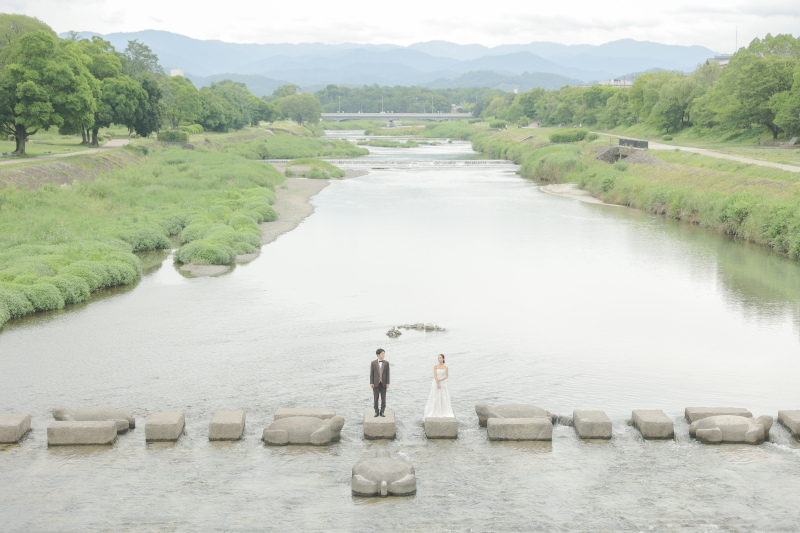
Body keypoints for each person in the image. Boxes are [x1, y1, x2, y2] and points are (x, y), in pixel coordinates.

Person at [423, 354, 455, 419]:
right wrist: (438, 382)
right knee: (435, 396)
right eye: (438, 358)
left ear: (443, 359)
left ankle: (443, 410)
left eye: (440, 358)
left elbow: (446, 376)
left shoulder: (446, 367)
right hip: (436, 382)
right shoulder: (435, 366)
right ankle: (435, 409)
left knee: (443, 396)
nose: (439, 359)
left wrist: (441, 380)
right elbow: (435, 375)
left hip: (443, 382)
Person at [370, 349, 389, 417]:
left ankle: (382, 411)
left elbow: (387, 373)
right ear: (378, 355)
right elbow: (371, 373)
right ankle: (376, 411)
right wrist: (371, 382)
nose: (383, 355)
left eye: (384, 353)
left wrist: (387, 383)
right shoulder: (373, 363)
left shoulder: (386, 363)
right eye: (382, 354)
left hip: (384, 383)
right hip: (375, 383)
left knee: (383, 398)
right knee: (376, 398)